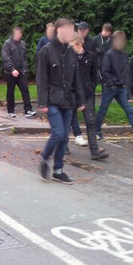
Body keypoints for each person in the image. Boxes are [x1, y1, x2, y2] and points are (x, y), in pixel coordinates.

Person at [36, 18, 84, 184]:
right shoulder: (46, 51)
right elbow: (41, 78)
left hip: (68, 100)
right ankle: (44, 157)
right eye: (69, 30)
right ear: (59, 31)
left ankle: (58, 170)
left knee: (65, 138)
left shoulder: (71, 52)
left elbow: (76, 78)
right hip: (52, 99)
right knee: (58, 133)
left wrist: (81, 99)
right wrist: (42, 102)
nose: (71, 33)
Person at [95, 31, 133, 140]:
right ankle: (96, 131)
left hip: (121, 88)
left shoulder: (124, 54)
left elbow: (127, 72)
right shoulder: (109, 54)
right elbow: (104, 71)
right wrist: (111, 84)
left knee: (129, 110)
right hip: (110, 88)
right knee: (103, 110)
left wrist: (125, 85)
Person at [69, 34, 109, 161]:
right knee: (66, 120)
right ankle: (63, 147)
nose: (70, 47)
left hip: (86, 94)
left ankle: (94, 150)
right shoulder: (69, 57)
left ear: (79, 44)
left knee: (90, 122)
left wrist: (91, 87)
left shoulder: (91, 57)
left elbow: (95, 75)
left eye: (72, 45)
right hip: (73, 93)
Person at [2, 27, 35, 118]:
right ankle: (11, 110)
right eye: (15, 34)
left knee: (25, 89)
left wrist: (24, 67)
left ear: (21, 35)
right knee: (10, 91)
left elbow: (24, 57)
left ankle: (28, 109)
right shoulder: (7, 43)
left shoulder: (23, 44)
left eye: (18, 34)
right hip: (10, 72)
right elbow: (6, 57)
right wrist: (12, 69)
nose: (17, 36)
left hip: (21, 71)